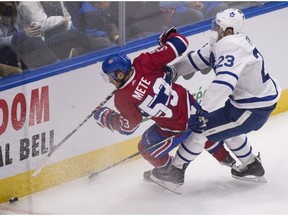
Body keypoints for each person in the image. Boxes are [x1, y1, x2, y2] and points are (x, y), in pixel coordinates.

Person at [149, 8, 281, 192]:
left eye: (218, 26)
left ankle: (174, 173)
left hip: (252, 110)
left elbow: (224, 83)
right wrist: (173, 70)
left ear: (228, 30)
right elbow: (195, 60)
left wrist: (202, 112)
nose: (214, 29)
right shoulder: (227, 42)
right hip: (247, 104)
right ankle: (252, 166)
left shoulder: (231, 46)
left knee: (200, 131)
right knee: (226, 127)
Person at [93, 27, 237, 191]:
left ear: (119, 75)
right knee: (201, 129)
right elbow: (181, 43)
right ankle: (227, 158)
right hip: (191, 108)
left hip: (173, 128)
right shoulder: (144, 62)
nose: (110, 81)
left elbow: (128, 126)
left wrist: (107, 118)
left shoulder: (122, 99)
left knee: (145, 149)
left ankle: (170, 173)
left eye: (110, 77)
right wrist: (165, 38)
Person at [0, 1, 59, 70]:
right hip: (4, 49)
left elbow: (19, 29)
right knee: (11, 52)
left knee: (34, 40)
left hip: (16, 44)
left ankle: (56, 64)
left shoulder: (13, 7)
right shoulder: (23, 4)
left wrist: (30, 29)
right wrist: (22, 35)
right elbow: (1, 41)